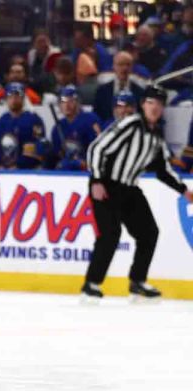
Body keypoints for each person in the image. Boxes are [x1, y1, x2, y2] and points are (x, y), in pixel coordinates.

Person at [83, 85, 193, 301]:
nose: (155, 108)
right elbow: (97, 148)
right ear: (143, 105)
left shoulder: (156, 135)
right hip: (106, 185)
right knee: (110, 234)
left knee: (149, 233)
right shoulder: (129, 124)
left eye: (160, 104)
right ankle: (91, 284)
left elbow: (163, 169)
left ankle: (137, 282)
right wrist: (96, 179)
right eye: (151, 103)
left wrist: (183, 190)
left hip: (129, 188)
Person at [0, 82, 46, 169]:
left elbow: (38, 149)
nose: (14, 99)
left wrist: (18, 166)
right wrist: (0, 165)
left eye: (17, 95)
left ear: (23, 98)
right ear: (6, 98)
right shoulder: (2, 121)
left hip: (28, 171)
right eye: (10, 96)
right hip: (4, 170)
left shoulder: (33, 120)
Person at [50, 85, 102, 170]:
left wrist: (84, 162)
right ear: (59, 105)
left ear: (78, 102)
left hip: (89, 169)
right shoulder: (58, 127)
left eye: (71, 101)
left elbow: (98, 147)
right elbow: (58, 154)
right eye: (63, 101)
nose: (67, 105)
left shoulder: (90, 120)